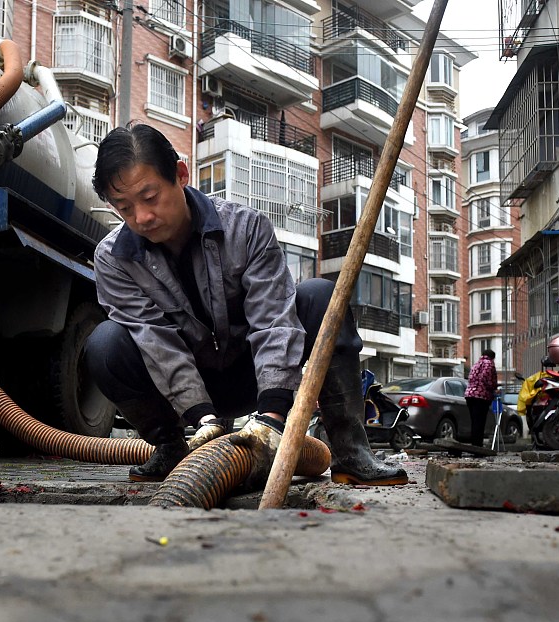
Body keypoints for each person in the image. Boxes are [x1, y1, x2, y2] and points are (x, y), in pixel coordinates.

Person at [84, 122, 408, 486]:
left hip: (255, 377)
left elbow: (273, 321)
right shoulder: (114, 258)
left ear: (180, 174)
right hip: (186, 392)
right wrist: (202, 416)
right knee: (105, 343)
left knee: (321, 297)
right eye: (124, 208)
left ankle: (351, 453)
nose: (141, 218)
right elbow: (155, 341)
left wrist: (271, 414)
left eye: (150, 197)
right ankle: (172, 449)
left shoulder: (246, 228)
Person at [464, 349, 498, 447]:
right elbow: (486, 378)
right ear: (492, 357)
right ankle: (478, 445)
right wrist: (493, 388)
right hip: (481, 396)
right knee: (480, 421)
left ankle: (474, 443)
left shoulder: (476, 364)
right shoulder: (489, 364)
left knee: (474, 421)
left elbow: (471, 378)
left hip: (469, 395)